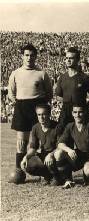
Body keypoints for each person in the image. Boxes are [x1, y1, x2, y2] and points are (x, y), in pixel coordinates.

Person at [8, 43, 53, 181]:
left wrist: (38, 105)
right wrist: (20, 103)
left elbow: (49, 93)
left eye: (32, 55)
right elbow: (11, 93)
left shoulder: (42, 74)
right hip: (21, 106)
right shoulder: (15, 73)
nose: (29, 58)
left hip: (38, 107)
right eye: (26, 55)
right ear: (22, 56)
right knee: (21, 142)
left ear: (36, 57)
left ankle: (44, 172)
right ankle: (18, 172)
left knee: (41, 140)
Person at [54, 104, 89, 189]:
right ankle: (68, 180)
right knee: (58, 153)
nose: (77, 115)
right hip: (80, 155)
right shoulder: (70, 126)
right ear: (72, 113)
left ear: (85, 113)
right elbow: (60, 143)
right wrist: (69, 150)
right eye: (75, 112)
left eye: (80, 112)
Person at [20, 104, 63, 185]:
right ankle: (47, 176)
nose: (41, 117)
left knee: (58, 155)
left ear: (49, 114)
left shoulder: (57, 127)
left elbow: (61, 146)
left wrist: (51, 154)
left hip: (56, 155)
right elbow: (33, 148)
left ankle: (57, 177)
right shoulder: (35, 128)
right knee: (28, 165)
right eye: (39, 115)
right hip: (44, 155)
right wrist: (26, 157)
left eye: (44, 114)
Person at [55, 47, 89, 129]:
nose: (68, 60)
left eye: (71, 58)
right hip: (65, 114)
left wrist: (85, 106)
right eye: (67, 58)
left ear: (77, 60)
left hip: (80, 113)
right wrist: (68, 102)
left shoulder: (85, 78)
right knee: (62, 137)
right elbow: (58, 96)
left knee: (84, 138)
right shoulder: (62, 77)